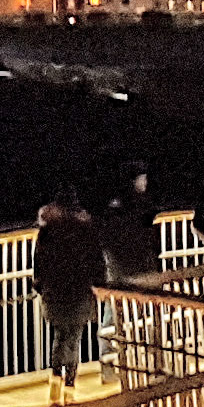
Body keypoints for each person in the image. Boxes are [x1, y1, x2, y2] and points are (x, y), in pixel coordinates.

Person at [33, 195, 108, 394]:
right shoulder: (85, 229)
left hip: (55, 290)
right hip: (80, 289)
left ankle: (56, 375)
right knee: (74, 337)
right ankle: (69, 382)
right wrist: (99, 284)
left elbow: (39, 263)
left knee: (60, 335)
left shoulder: (47, 232)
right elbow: (96, 260)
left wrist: (40, 285)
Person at [98, 168, 161, 284]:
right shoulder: (120, 205)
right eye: (141, 179)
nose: (145, 183)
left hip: (140, 253)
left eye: (145, 179)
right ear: (133, 181)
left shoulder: (143, 202)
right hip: (126, 254)